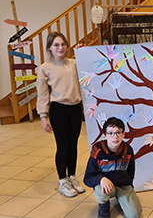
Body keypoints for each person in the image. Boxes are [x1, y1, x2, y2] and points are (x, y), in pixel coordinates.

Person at [36, 31, 85, 197]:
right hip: (59, 109)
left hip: (75, 109)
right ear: (50, 47)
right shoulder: (45, 68)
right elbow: (43, 95)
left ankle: (72, 176)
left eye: (63, 44)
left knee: (73, 145)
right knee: (63, 146)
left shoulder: (74, 63)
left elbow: (89, 67)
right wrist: (43, 116)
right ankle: (62, 180)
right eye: (56, 45)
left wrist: (82, 52)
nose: (61, 47)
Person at [84, 117, 142, 218]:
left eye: (118, 132)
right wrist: (101, 179)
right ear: (104, 136)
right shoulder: (97, 152)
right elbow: (87, 178)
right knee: (100, 191)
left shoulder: (128, 150)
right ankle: (103, 205)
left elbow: (131, 170)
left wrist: (129, 187)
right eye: (110, 133)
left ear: (123, 134)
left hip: (123, 185)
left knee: (134, 215)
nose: (115, 137)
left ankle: (122, 199)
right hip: (106, 186)